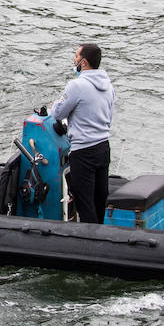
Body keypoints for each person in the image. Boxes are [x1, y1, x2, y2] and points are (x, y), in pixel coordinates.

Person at [51, 43, 114, 223]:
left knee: (85, 203)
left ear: (84, 62)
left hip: (83, 151)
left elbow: (58, 113)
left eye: (76, 57)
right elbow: (109, 117)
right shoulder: (108, 86)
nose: (74, 60)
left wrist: (56, 103)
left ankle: (89, 243)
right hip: (103, 147)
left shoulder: (76, 86)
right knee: (99, 200)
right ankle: (100, 235)